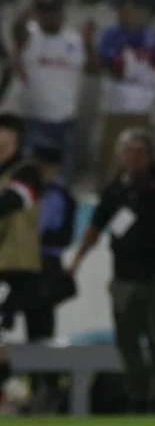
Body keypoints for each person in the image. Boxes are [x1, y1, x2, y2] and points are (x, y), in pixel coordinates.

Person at [69, 129, 155, 413]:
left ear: (151, 155)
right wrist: (77, 261)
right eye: (128, 152)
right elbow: (96, 227)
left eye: (140, 152)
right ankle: (137, 393)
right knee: (126, 338)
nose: (134, 158)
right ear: (119, 156)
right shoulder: (114, 190)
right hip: (124, 275)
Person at [12, 0, 98, 179]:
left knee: (62, 178)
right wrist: (31, 4)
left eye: (54, 12)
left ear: (62, 14)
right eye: (45, 12)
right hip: (34, 120)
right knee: (30, 176)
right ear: (38, 14)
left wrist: (89, 43)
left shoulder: (74, 39)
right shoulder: (30, 35)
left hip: (65, 122)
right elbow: (17, 28)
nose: (50, 17)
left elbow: (93, 69)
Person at [97, 0, 155, 180]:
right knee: (112, 154)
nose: (128, 15)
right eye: (124, 11)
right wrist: (136, 61)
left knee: (142, 155)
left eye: (132, 11)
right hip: (116, 107)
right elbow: (114, 67)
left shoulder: (152, 36)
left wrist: (135, 61)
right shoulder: (110, 35)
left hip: (143, 108)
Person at [0, 114, 43, 400]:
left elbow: (13, 200)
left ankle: (28, 388)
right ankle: (10, 386)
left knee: (26, 331)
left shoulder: (27, 171)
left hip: (17, 265)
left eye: (6, 140)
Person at [23, 144, 75, 342]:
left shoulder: (52, 195)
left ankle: (43, 371)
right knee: (37, 321)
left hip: (44, 265)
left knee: (40, 324)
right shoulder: (45, 192)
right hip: (40, 263)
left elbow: (35, 231)